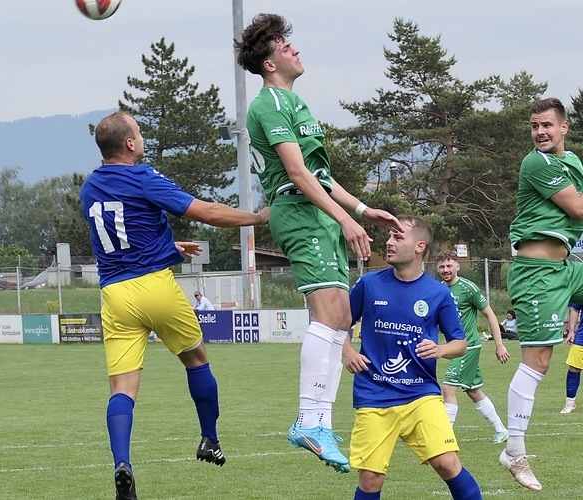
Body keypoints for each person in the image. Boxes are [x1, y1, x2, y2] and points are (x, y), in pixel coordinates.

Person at [235, 13, 403, 473]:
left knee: (341, 318)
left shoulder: (294, 102)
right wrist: (344, 220)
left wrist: (362, 210)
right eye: (285, 45)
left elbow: (319, 176)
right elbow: (296, 174)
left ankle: (320, 424)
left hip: (317, 212)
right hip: (299, 212)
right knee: (329, 315)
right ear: (269, 63)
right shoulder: (269, 104)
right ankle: (309, 421)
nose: (295, 49)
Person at [80, 111, 270, 500]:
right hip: (155, 287)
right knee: (197, 360)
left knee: (122, 387)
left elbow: (123, 235)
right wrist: (257, 217)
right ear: (129, 143)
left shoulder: (89, 187)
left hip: (115, 295)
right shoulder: (142, 177)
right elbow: (209, 213)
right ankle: (209, 439)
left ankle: (122, 463)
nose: (142, 138)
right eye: (139, 133)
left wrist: (169, 246)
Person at [343, 216, 482, 500]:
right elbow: (337, 323)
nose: (389, 242)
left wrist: (440, 350)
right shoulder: (368, 284)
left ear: (419, 246)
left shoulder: (438, 292)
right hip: (374, 395)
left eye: (397, 237)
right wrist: (347, 351)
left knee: (448, 463)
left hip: (421, 395)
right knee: (370, 479)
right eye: (389, 236)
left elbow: (460, 344)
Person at [500, 97, 583, 491]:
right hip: (538, 274)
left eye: (547, 125)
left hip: (568, 267)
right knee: (539, 362)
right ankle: (514, 452)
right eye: (535, 126)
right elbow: (579, 209)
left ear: (564, 127)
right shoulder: (536, 163)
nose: (540, 132)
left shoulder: (574, 162)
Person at [435, 251, 510, 442]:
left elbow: (490, 315)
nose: (446, 270)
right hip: (454, 346)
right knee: (473, 390)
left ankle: (445, 437)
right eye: (442, 266)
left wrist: (499, 344)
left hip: (468, 346)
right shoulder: (439, 289)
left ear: (457, 266)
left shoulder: (468, 288)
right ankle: (501, 430)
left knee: (448, 388)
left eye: (449, 265)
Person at [561, 303, 583, 414]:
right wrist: (571, 331)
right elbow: (575, 309)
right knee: (574, 369)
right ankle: (569, 404)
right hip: (581, 338)